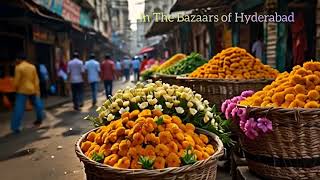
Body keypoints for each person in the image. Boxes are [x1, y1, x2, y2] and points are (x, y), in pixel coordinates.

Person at [11, 54, 44, 133]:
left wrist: (14, 88)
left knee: (19, 108)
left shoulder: (18, 68)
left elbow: (17, 81)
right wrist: (37, 90)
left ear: (18, 59)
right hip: (32, 89)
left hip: (22, 90)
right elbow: (36, 79)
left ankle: (15, 127)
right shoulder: (32, 67)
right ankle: (39, 119)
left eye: (16, 59)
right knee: (38, 105)